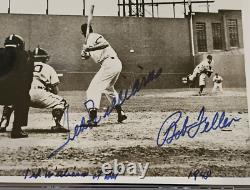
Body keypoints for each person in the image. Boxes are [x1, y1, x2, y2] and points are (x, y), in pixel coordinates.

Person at [0, 47, 69, 133]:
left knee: (10, 101)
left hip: (22, 91)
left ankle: (3, 123)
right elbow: (55, 90)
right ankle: (58, 124)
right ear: (45, 58)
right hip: (39, 93)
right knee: (61, 102)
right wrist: (49, 93)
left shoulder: (24, 65)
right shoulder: (48, 67)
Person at [80, 23, 127, 126]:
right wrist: (85, 54)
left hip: (109, 63)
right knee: (108, 89)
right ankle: (120, 113)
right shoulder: (89, 42)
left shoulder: (93, 36)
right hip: (113, 64)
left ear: (83, 33)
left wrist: (89, 49)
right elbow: (88, 55)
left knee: (93, 89)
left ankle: (93, 118)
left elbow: (105, 43)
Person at [0, 34, 34, 138]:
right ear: (20, 45)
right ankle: (16, 129)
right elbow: (27, 79)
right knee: (24, 98)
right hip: (14, 92)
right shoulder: (25, 55)